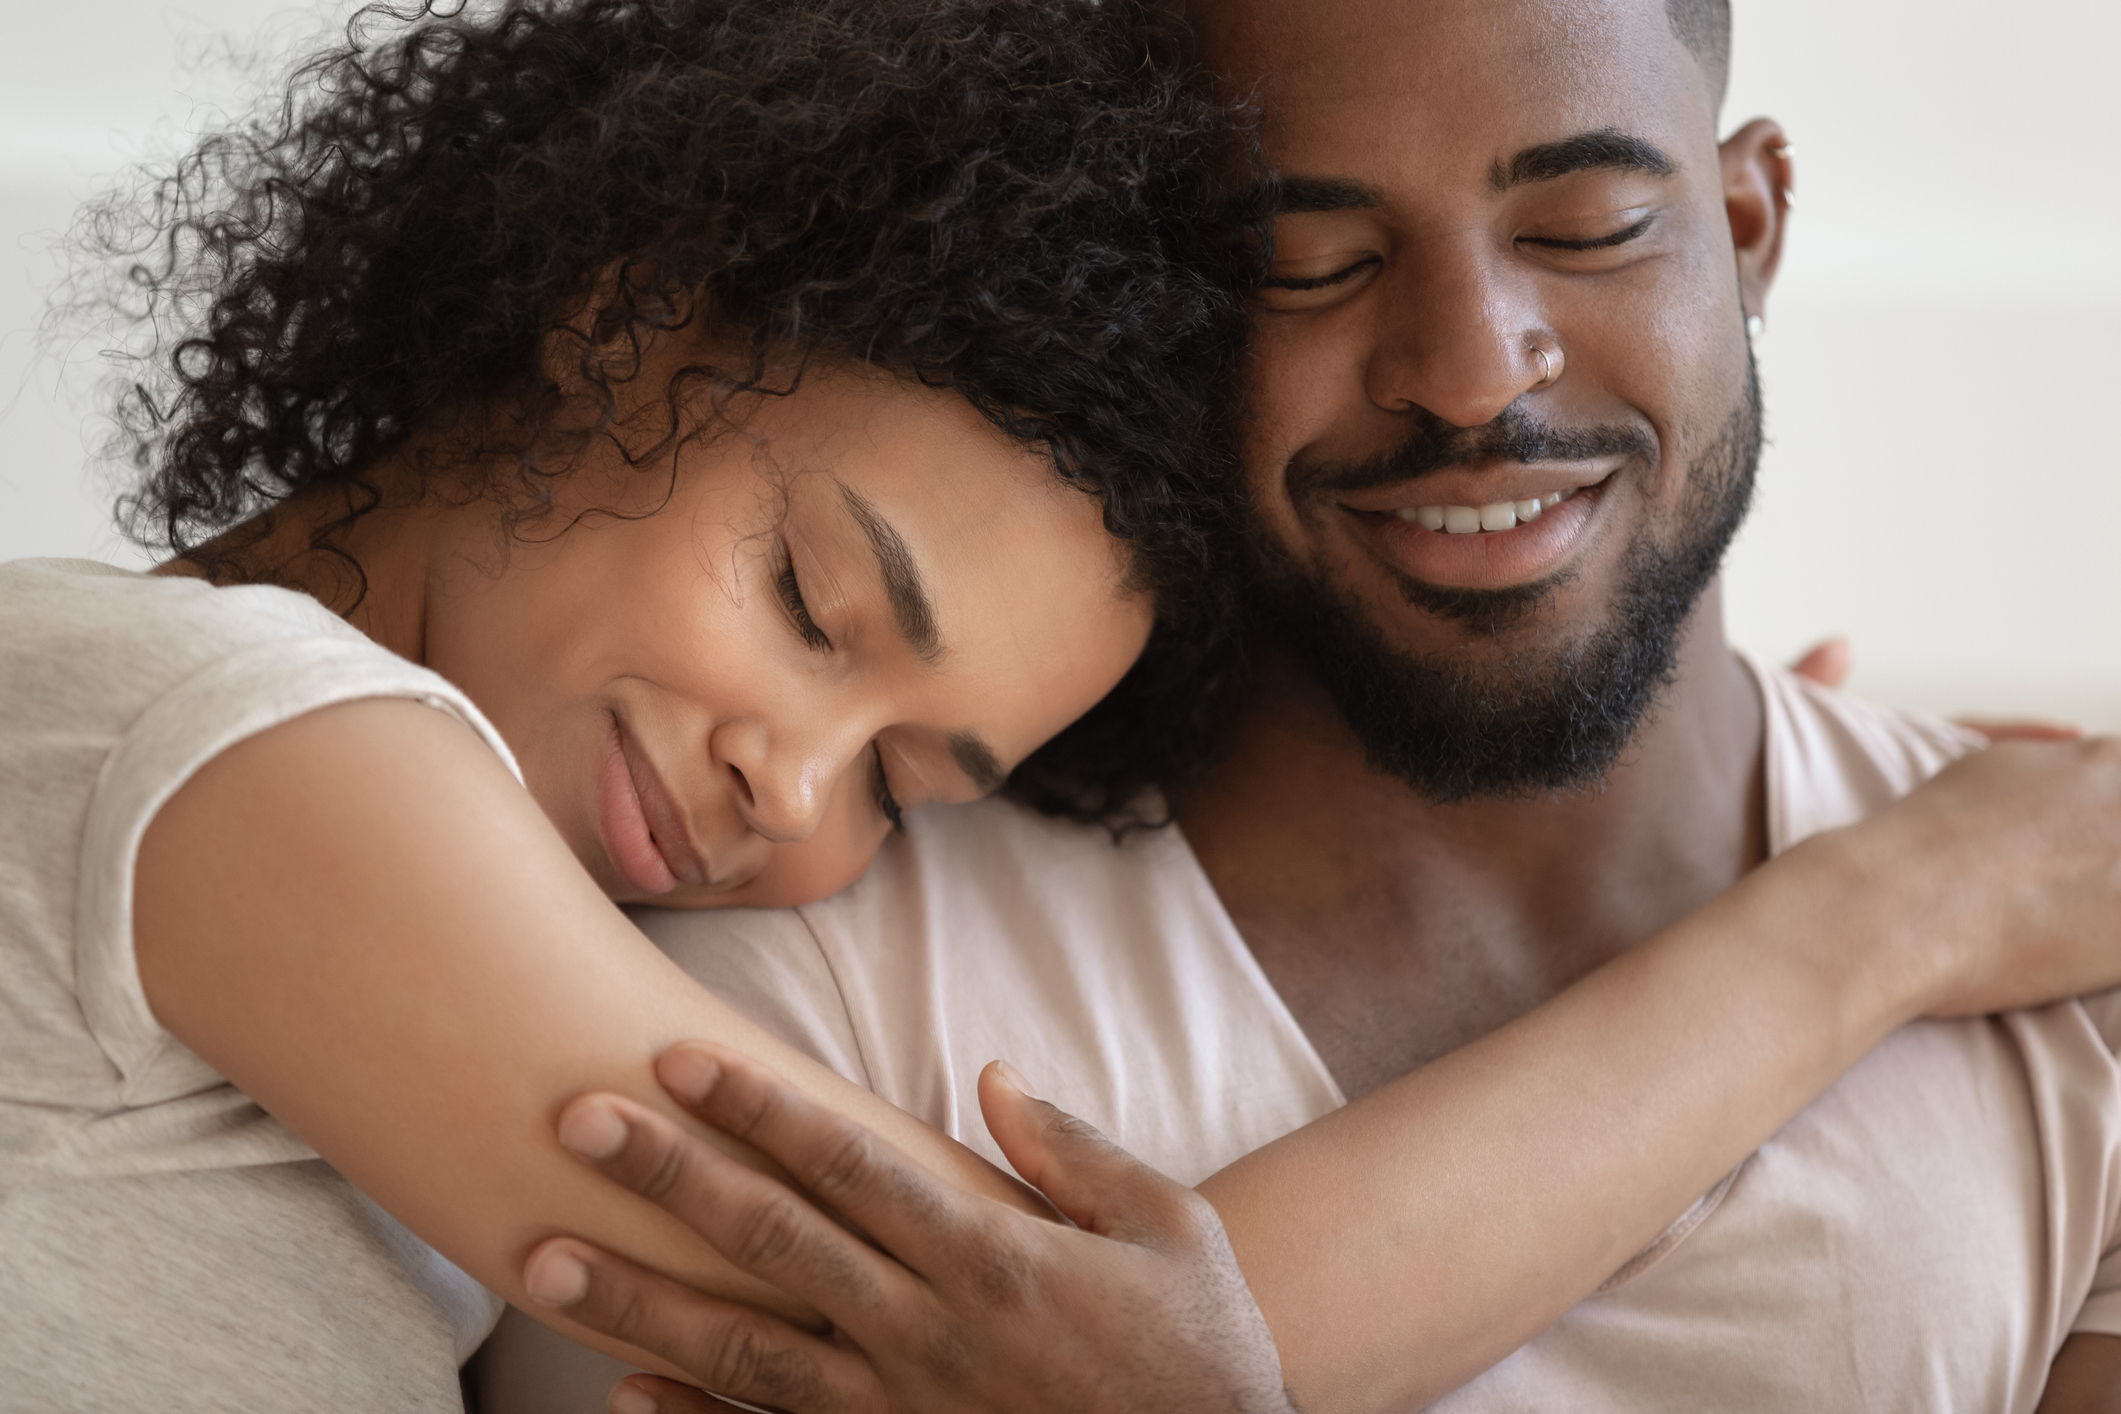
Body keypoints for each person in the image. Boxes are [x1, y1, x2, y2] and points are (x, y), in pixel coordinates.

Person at [5, 3, 2118, 1414]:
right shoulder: (231, 725)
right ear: (629, 319)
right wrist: (1879, 914)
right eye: (817, 598)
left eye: (919, 772)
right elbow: (1008, 1329)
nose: (789, 786)